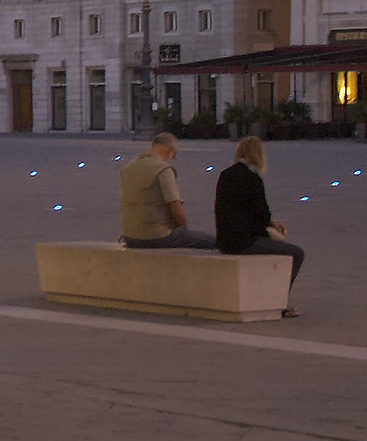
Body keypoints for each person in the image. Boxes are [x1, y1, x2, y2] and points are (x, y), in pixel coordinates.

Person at [214, 135, 304, 317]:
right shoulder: (252, 179)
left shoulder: (225, 174)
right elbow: (263, 214)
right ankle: (280, 300)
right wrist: (273, 226)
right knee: (295, 253)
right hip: (245, 241)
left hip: (224, 239)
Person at [118, 133, 218, 250]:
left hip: (130, 236)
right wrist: (182, 231)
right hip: (155, 236)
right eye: (173, 156)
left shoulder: (129, 167)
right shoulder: (162, 169)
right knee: (212, 242)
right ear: (170, 151)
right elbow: (175, 207)